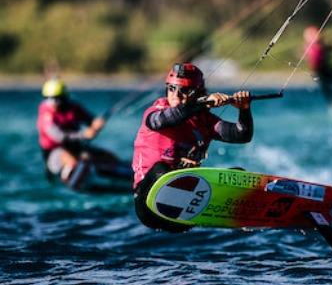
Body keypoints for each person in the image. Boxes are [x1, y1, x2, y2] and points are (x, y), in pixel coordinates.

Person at [132, 63, 254, 231]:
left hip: (187, 211)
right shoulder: (157, 111)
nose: (175, 94)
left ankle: (244, 219)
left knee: (237, 175)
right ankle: (179, 180)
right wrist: (203, 103)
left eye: (183, 90)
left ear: (197, 92)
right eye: (171, 88)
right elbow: (168, 119)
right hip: (149, 207)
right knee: (161, 169)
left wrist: (244, 109)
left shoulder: (206, 121)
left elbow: (242, 135)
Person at [37, 78, 108, 187]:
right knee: (72, 162)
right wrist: (84, 135)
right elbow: (59, 137)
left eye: (57, 99)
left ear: (64, 97)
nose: (54, 102)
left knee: (106, 157)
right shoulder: (46, 114)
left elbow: (90, 120)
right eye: (50, 99)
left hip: (77, 148)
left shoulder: (73, 108)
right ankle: (69, 182)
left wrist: (96, 124)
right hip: (55, 152)